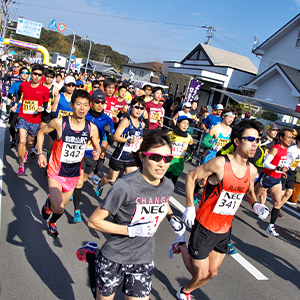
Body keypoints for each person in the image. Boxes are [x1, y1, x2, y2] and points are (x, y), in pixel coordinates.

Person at [167, 120, 270, 300]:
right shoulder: (220, 164)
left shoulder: (252, 170)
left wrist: (256, 204)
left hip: (225, 228)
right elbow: (191, 177)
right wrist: (190, 206)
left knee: (212, 274)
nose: (255, 143)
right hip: (205, 225)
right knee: (200, 274)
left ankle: (184, 292)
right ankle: (181, 246)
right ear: (237, 141)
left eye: (258, 139)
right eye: (251, 139)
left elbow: (250, 192)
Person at [77, 131, 185, 299]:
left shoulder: (168, 185)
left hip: (143, 257)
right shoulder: (125, 186)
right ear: (142, 156)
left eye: (168, 159)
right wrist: (131, 230)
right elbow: (94, 222)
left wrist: (171, 217)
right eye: (156, 157)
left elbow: (162, 199)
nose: (162, 164)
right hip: (115, 256)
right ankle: (93, 259)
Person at [37, 90, 101, 239]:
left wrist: (97, 151)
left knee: (60, 209)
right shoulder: (60, 123)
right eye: (78, 104)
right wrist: (40, 153)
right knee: (58, 206)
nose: (82, 108)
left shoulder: (91, 128)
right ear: (72, 105)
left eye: (86, 105)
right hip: (56, 171)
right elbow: (41, 133)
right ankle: (50, 204)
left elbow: (96, 144)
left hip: (73, 174)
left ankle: (52, 222)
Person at [72, 89, 114, 223]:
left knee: (83, 179)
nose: (100, 104)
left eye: (103, 102)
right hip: (79, 152)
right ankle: (77, 211)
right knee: (79, 181)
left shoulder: (107, 119)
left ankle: (72, 188)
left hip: (93, 155)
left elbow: (111, 141)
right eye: (97, 102)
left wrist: (109, 134)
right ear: (92, 102)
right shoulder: (84, 114)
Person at [96, 97, 145, 197]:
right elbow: (115, 137)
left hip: (132, 157)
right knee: (111, 179)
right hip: (120, 156)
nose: (139, 110)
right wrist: (129, 140)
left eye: (141, 108)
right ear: (131, 107)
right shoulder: (126, 121)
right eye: (136, 107)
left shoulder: (141, 124)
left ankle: (122, 201)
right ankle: (101, 184)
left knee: (131, 181)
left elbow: (140, 139)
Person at [254, 128, 294, 236]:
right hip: (267, 177)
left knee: (277, 203)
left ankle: (271, 227)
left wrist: (282, 171)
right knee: (252, 198)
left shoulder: (286, 149)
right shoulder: (275, 148)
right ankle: (233, 211)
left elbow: (280, 164)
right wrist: (278, 168)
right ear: (281, 138)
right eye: (289, 137)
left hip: (277, 179)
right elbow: (266, 163)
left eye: (292, 138)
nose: (291, 140)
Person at [15, 64, 49, 176]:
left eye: (39, 75)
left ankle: (25, 153)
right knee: (22, 141)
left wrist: (42, 108)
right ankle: (21, 166)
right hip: (23, 116)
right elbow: (19, 93)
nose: (36, 77)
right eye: (35, 74)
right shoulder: (24, 85)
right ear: (31, 74)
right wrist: (16, 103)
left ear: (42, 76)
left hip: (35, 120)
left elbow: (45, 104)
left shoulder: (44, 90)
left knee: (29, 142)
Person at [165, 115, 194, 185]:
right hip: (169, 159)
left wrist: (190, 155)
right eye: (183, 123)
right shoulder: (170, 134)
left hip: (179, 161)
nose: (185, 126)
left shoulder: (189, 137)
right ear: (177, 123)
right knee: (166, 179)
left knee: (173, 181)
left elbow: (192, 148)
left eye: (187, 124)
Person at [7, 66, 30, 148]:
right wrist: (13, 97)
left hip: (25, 110)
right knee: (12, 125)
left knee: (23, 128)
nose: (25, 75)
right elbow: (9, 94)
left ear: (28, 75)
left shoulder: (30, 85)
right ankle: (13, 138)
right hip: (15, 109)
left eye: (27, 73)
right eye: (23, 73)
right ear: (20, 74)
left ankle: (19, 135)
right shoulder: (15, 84)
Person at [280, 134, 300, 207]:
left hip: (292, 172)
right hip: (284, 170)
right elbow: (282, 157)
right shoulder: (291, 149)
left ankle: (278, 207)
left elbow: (297, 163)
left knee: (289, 193)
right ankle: (276, 207)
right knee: (281, 193)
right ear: (298, 141)